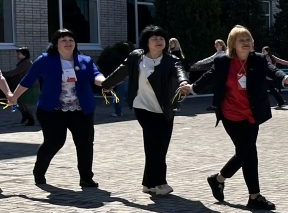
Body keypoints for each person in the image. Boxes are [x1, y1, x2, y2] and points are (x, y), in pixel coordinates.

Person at [191, 26, 288, 210]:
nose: (246, 43)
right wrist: (192, 88)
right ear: (233, 43)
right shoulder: (223, 61)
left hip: (251, 115)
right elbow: (209, 76)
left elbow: (273, 70)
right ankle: (251, 195)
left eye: (248, 39)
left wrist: (287, 80)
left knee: (248, 152)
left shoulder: (258, 59)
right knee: (246, 152)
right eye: (242, 40)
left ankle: (221, 181)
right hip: (230, 115)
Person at [7, 29, 107, 188]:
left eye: (71, 40)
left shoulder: (85, 60)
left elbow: (96, 75)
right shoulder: (45, 60)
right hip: (52, 111)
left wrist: (105, 82)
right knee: (54, 142)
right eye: (63, 40)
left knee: (85, 143)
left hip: (81, 110)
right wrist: (14, 97)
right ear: (56, 44)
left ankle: (86, 178)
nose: (68, 43)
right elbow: (28, 80)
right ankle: (39, 172)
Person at [101, 25, 192, 195]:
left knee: (159, 147)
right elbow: (122, 71)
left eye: (161, 38)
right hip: (143, 107)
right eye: (154, 38)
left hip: (165, 109)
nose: (159, 41)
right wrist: (107, 84)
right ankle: (160, 183)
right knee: (154, 145)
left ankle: (148, 183)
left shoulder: (171, 60)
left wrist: (183, 83)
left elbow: (180, 72)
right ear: (147, 42)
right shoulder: (136, 57)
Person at [3, 47, 37, 126]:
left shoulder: (26, 63)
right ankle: (26, 117)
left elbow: (14, 72)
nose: (17, 55)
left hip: (30, 87)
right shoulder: (23, 62)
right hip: (25, 86)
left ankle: (31, 119)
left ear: (25, 55)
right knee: (20, 103)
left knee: (25, 104)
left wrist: (2, 74)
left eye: (19, 54)